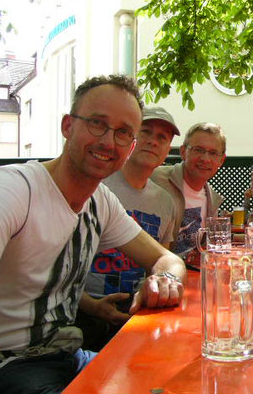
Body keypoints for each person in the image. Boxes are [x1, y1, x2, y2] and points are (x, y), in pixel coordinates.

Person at [0, 75, 186, 394]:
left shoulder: (100, 201)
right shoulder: (12, 189)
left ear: (130, 146)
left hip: (67, 357)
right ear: (68, 126)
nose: (108, 142)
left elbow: (166, 259)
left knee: (172, 378)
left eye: (123, 133)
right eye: (97, 123)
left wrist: (165, 282)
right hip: (7, 364)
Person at [76, 106, 181, 351]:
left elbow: (161, 262)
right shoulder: (97, 186)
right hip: (85, 312)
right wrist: (91, 305)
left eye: (162, 138)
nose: (153, 142)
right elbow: (60, 267)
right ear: (130, 138)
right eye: (146, 132)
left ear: (167, 151)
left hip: (138, 313)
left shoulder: (166, 202)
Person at [151, 122, 226, 266]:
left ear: (221, 160)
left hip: (189, 276)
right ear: (183, 152)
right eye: (198, 150)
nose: (205, 159)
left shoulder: (213, 199)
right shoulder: (156, 180)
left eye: (213, 153)